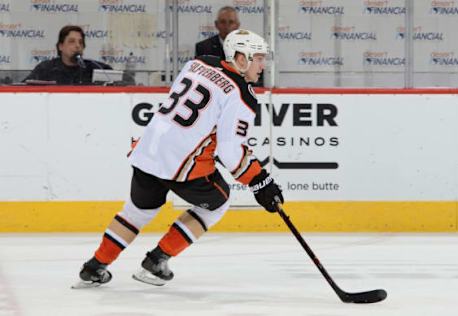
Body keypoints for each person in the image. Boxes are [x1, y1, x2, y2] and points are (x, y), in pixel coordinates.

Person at [73, 29, 283, 289]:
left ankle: (94, 267)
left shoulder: (198, 63)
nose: (263, 65)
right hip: (181, 163)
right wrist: (260, 181)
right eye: (258, 58)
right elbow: (230, 153)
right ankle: (157, 260)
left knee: (136, 212)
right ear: (241, 58)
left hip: (150, 150)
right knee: (218, 203)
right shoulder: (242, 95)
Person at [23, 25, 112, 85]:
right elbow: (22, 88)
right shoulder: (46, 69)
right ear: (61, 46)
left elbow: (118, 83)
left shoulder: (96, 68)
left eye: (80, 42)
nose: (77, 46)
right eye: (71, 41)